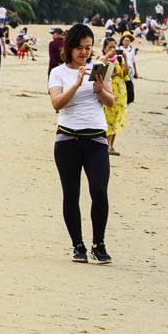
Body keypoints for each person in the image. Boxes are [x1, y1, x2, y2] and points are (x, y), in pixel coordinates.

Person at [48, 24, 117, 264]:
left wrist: (100, 90)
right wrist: (76, 84)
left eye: (88, 48)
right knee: (71, 193)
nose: (84, 53)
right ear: (69, 47)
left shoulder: (100, 70)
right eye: (79, 48)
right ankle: (78, 245)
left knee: (99, 191)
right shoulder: (58, 73)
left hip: (96, 139)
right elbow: (57, 104)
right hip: (67, 140)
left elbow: (111, 102)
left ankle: (99, 244)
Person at [100, 38, 130, 156]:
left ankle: (111, 146)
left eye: (114, 47)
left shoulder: (118, 59)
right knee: (108, 120)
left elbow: (125, 73)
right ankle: (106, 145)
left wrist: (125, 59)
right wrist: (107, 57)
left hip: (120, 94)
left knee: (117, 120)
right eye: (110, 47)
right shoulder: (101, 59)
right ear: (104, 48)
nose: (112, 50)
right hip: (108, 93)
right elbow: (102, 73)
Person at [120, 32, 139, 104]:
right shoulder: (118, 49)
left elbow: (133, 61)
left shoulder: (132, 50)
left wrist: (136, 72)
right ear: (122, 41)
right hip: (122, 70)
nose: (126, 42)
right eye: (125, 40)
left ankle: (128, 99)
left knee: (129, 84)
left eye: (128, 41)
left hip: (131, 71)